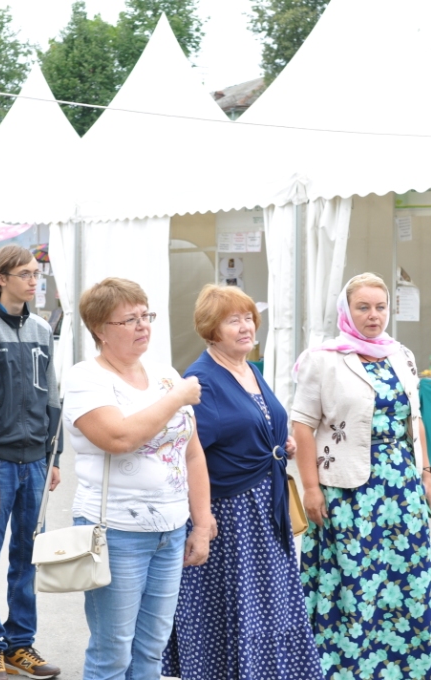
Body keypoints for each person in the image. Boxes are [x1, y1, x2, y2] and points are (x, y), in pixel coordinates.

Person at [291, 273, 431, 680]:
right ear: (346, 311)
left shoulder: (401, 354)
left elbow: (415, 418)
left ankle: (406, 667)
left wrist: (426, 474)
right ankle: (347, 669)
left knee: (407, 576)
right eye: (363, 307)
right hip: (347, 489)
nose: (373, 315)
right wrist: (310, 487)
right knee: (353, 580)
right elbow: (303, 425)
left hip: (401, 486)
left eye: (380, 307)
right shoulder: (322, 359)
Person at [163, 284, 322, 679]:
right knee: (234, 612)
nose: (246, 326)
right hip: (230, 515)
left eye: (249, 318)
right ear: (211, 330)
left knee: (269, 608)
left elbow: (253, 423)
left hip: (264, 511)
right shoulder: (202, 380)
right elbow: (190, 452)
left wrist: (276, 443)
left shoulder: (248, 368)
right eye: (233, 321)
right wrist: (201, 522)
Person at [64, 277, 215, 680]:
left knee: (152, 649)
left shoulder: (165, 375)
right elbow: (119, 438)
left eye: (146, 316)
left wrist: (202, 524)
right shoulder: (86, 377)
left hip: (171, 529)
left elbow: (192, 452)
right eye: (129, 319)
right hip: (116, 531)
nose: (143, 325)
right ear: (100, 329)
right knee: (112, 652)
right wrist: (176, 398)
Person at [0, 245, 62, 679]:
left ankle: (21, 644)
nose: (33, 281)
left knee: (29, 556)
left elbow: (52, 396)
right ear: (1, 278)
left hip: (36, 460)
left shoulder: (42, 329)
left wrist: (54, 456)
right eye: (25, 273)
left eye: (36, 273)